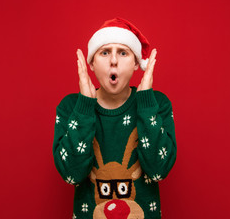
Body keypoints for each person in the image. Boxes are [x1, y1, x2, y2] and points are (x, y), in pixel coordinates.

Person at [53, 18, 176, 219]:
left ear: (136, 62)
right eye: (104, 52)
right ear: (91, 63)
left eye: (123, 52)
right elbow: (71, 174)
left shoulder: (157, 104)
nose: (113, 61)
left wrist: (145, 103)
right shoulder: (71, 107)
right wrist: (84, 106)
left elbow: (158, 171)